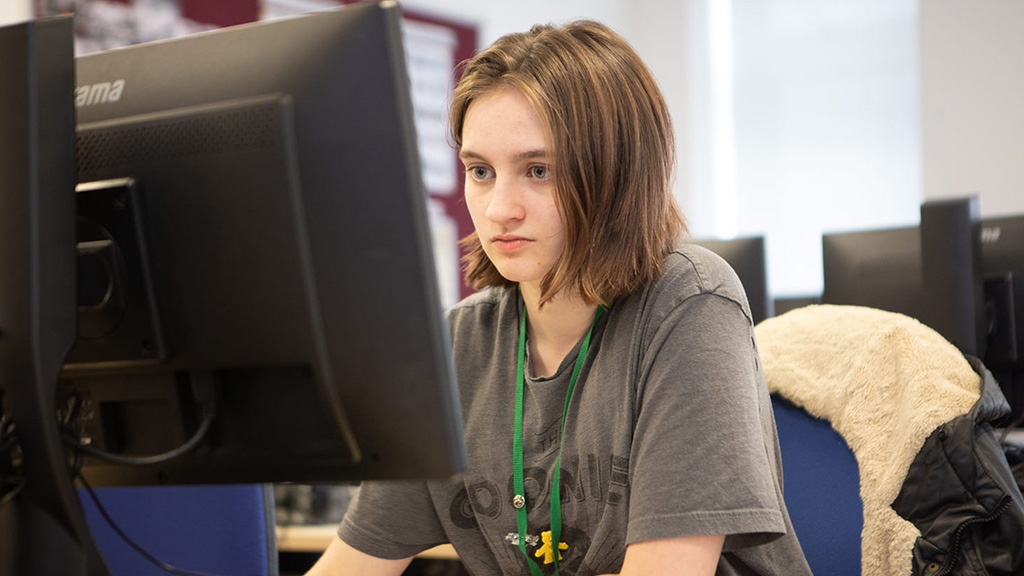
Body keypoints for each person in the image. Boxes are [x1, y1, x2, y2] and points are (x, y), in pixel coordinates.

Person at [308, 20, 811, 576]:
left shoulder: (689, 302)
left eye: (539, 170)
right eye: (480, 171)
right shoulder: (456, 346)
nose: (500, 208)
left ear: (616, 174)